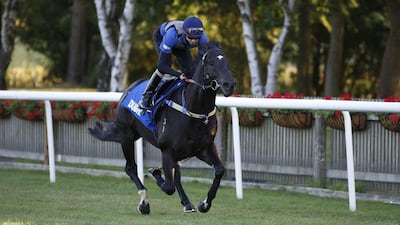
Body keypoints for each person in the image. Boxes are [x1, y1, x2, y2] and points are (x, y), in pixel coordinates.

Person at [138, 16, 209, 110]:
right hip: (163, 37)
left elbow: (201, 63)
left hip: (182, 44)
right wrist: (178, 75)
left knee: (191, 72)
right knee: (166, 66)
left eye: (196, 39)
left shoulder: (203, 38)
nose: (193, 41)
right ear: (185, 33)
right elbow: (162, 66)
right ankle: (146, 96)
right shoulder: (172, 35)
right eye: (191, 38)